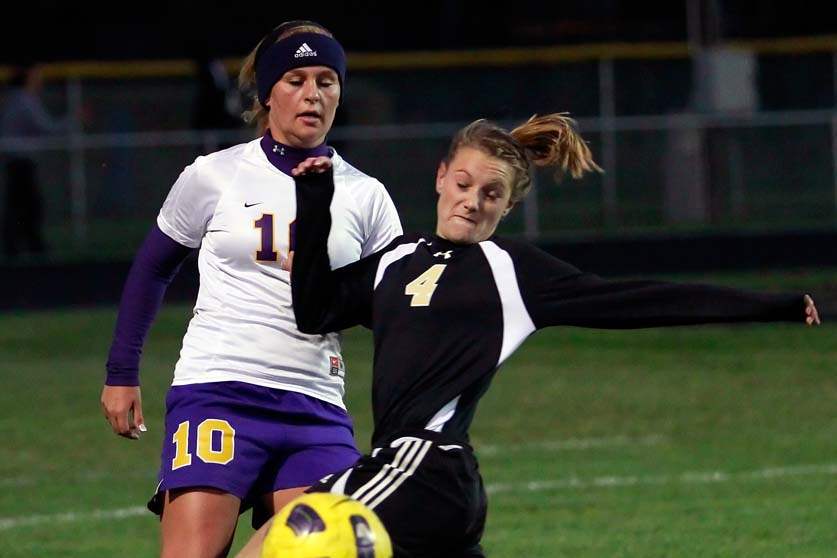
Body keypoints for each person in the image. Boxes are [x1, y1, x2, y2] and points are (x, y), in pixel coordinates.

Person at [238, 113, 820, 558]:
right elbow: (315, 309)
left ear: (509, 205)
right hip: (426, 481)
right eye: (463, 183)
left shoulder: (510, 271)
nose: (472, 201)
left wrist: (773, 305)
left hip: (424, 466)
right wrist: (314, 201)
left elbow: (640, 300)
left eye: (491, 194)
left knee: (286, 540)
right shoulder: (397, 258)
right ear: (441, 177)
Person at [100, 20, 402, 558]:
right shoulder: (215, 174)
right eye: (296, 80)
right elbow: (152, 268)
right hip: (219, 390)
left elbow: (395, 310)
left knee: (331, 550)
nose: (313, 94)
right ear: (266, 94)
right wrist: (122, 373)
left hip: (316, 403)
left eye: (327, 81)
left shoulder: (366, 195)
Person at [0, 63, 68, 258]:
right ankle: (27, 246)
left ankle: (20, 246)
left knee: (22, 204)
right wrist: (74, 120)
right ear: (29, 76)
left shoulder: (16, 98)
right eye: (37, 74)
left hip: (17, 161)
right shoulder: (23, 100)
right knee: (28, 205)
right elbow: (47, 128)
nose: (41, 79)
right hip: (19, 161)